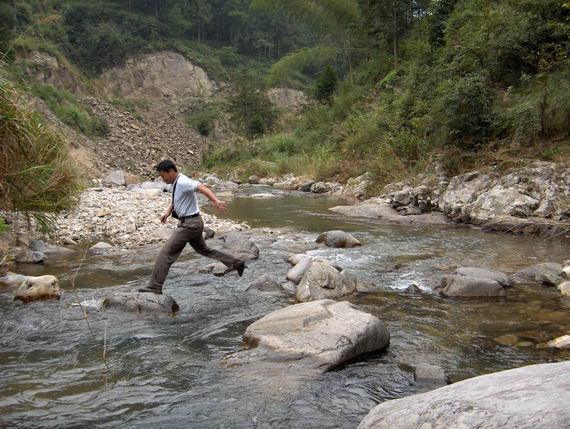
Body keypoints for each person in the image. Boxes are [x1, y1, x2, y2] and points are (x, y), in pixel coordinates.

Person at [138, 160, 246, 294]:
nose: (162, 179)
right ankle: (236, 263)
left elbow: (201, 187)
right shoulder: (175, 183)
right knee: (204, 250)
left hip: (189, 225)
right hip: (193, 223)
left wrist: (215, 201)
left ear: (171, 172)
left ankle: (154, 287)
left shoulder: (183, 182)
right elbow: (176, 200)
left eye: (163, 176)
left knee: (165, 254)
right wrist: (168, 212)